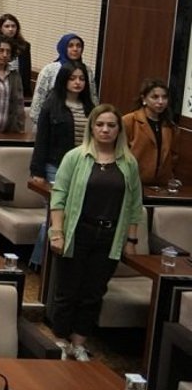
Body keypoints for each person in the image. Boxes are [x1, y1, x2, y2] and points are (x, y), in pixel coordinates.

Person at [48, 104, 143, 362]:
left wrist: (131, 239)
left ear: (119, 130)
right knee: (67, 291)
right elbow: (59, 196)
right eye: (100, 124)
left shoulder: (128, 163)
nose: (105, 130)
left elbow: (135, 205)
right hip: (77, 232)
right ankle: (60, 341)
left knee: (93, 293)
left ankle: (79, 342)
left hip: (109, 237)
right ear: (91, 127)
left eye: (111, 125)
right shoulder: (75, 157)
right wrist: (57, 232)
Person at [29, 59, 94, 269]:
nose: (77, 82)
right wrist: (37, 171)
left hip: (83, 168)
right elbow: (41, 140)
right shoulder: (52, 105)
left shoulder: (91, 108)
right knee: (56, 213)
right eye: (73, 78)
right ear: (64, 80)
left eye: (81, 78)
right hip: (55, 167)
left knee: (74, 215)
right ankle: (40, 262)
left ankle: (60, 263)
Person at [30, 34, 98, 126]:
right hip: (52, 122)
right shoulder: (49, 70)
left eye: (78, 46)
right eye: (70, 46)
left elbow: (92, 97)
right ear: (63, 47)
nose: (75, 49)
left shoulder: (87, 71)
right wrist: (42, 124)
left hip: (81, 120)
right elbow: (38, 100)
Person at [122, 78, 179, 185]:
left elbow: (173, 156)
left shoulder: (170, 126)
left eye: (164, 97)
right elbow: (119, 152)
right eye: (155, 97)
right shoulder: (129, 121)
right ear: (144, 99)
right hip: (132, 182)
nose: (160, 102)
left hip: (160, 184)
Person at [0, 14, 32, 97]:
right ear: (0, 28)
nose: (11, 29)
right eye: (7, 26)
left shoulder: (24, 46)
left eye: (13, 26)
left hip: (18, 89)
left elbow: (26, 73)